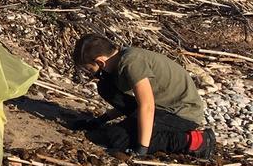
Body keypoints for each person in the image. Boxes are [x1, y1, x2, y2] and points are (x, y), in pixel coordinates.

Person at [71, 34, 216, 158]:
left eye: (90, 69)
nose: (91, 73)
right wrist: (100, 120)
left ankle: (196, 140)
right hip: (161, 107)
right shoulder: (120, 62)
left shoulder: (131, 62)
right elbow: (132, 102)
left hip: (182, 113)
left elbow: (146, 105)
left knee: (119, 138)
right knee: (106, 87)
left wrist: (141, 148)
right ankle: (140, 132)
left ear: (100, 62)